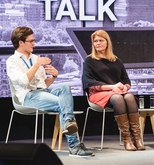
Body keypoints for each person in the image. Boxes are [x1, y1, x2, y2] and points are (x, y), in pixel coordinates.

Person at [6, 26, 94, 157]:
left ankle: (69, 121)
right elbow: (24, 82)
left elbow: (43, 84)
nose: (34, 43)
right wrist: (37, 65)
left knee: (64, 87)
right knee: (61, 103)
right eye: (31, 41)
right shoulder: (12, 61)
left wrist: (54, 76)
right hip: (28, 96)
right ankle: (74, 146)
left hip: (43, 93)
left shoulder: (35, 58)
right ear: (21, 42)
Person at [82, 29, 145, 151]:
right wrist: (113, 87)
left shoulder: (116, 60)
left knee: (129, 97)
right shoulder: (89, 60)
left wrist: (124, 87)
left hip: (117, 92)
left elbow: (127, 81)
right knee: (118, 98)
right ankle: (127, 140)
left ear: (107, 42)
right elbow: (89, 82)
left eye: (101, 40)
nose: (98, 43)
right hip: (98, 94)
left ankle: (137, 139)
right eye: (95, 41)